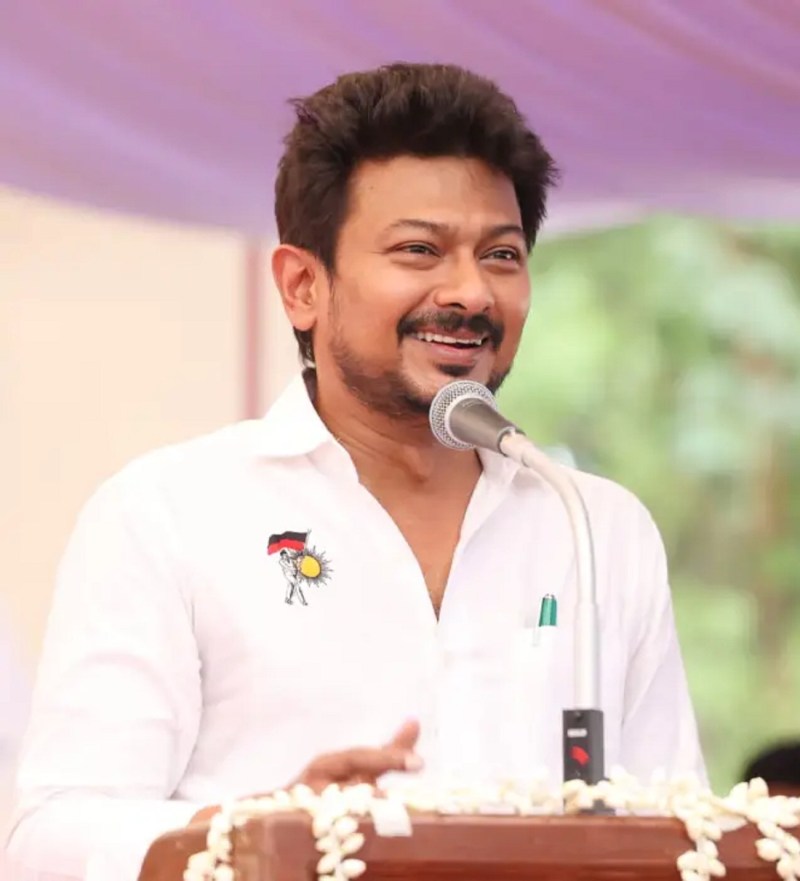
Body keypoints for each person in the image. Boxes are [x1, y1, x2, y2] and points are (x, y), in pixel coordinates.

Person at [6, 62, 705, 880]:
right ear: (303, 285)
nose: (471, 293)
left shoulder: (594, 526)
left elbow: (683, 833)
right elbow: (49, 841)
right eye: (419, 250)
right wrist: (250, 835)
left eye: (502, 254)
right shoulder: (169, 514)